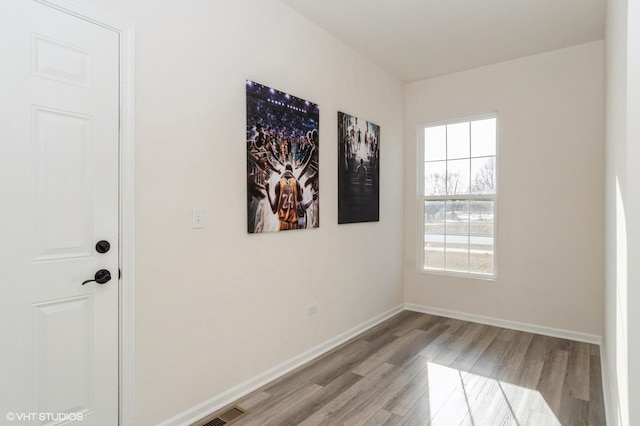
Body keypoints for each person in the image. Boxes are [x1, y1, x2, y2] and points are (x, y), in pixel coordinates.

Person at [266, 163, 304, 231]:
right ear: (292, 171)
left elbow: (274, 210)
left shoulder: (278, 184)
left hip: (282, 225)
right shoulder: (296, 183)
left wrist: (267, 191)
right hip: (293, 225)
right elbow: (301, 201)